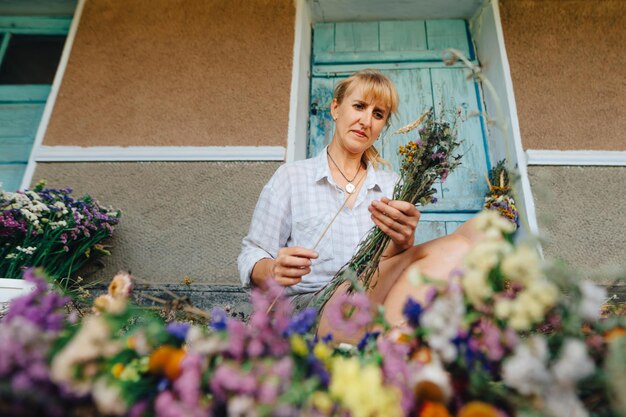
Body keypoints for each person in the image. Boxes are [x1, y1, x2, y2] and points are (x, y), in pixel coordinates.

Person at [238, 69, 480, 344]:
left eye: (378, 114)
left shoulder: (393, 186)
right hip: (312, 308)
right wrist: (272, 269)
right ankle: (397, 344)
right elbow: (251, 253)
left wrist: (403, 242)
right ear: (335, 108)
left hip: (373, 299)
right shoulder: (292, 178)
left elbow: (397, 271)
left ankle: (387, 342)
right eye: (359, 106)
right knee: (456, 262)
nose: (366, 121)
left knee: (475, 236)